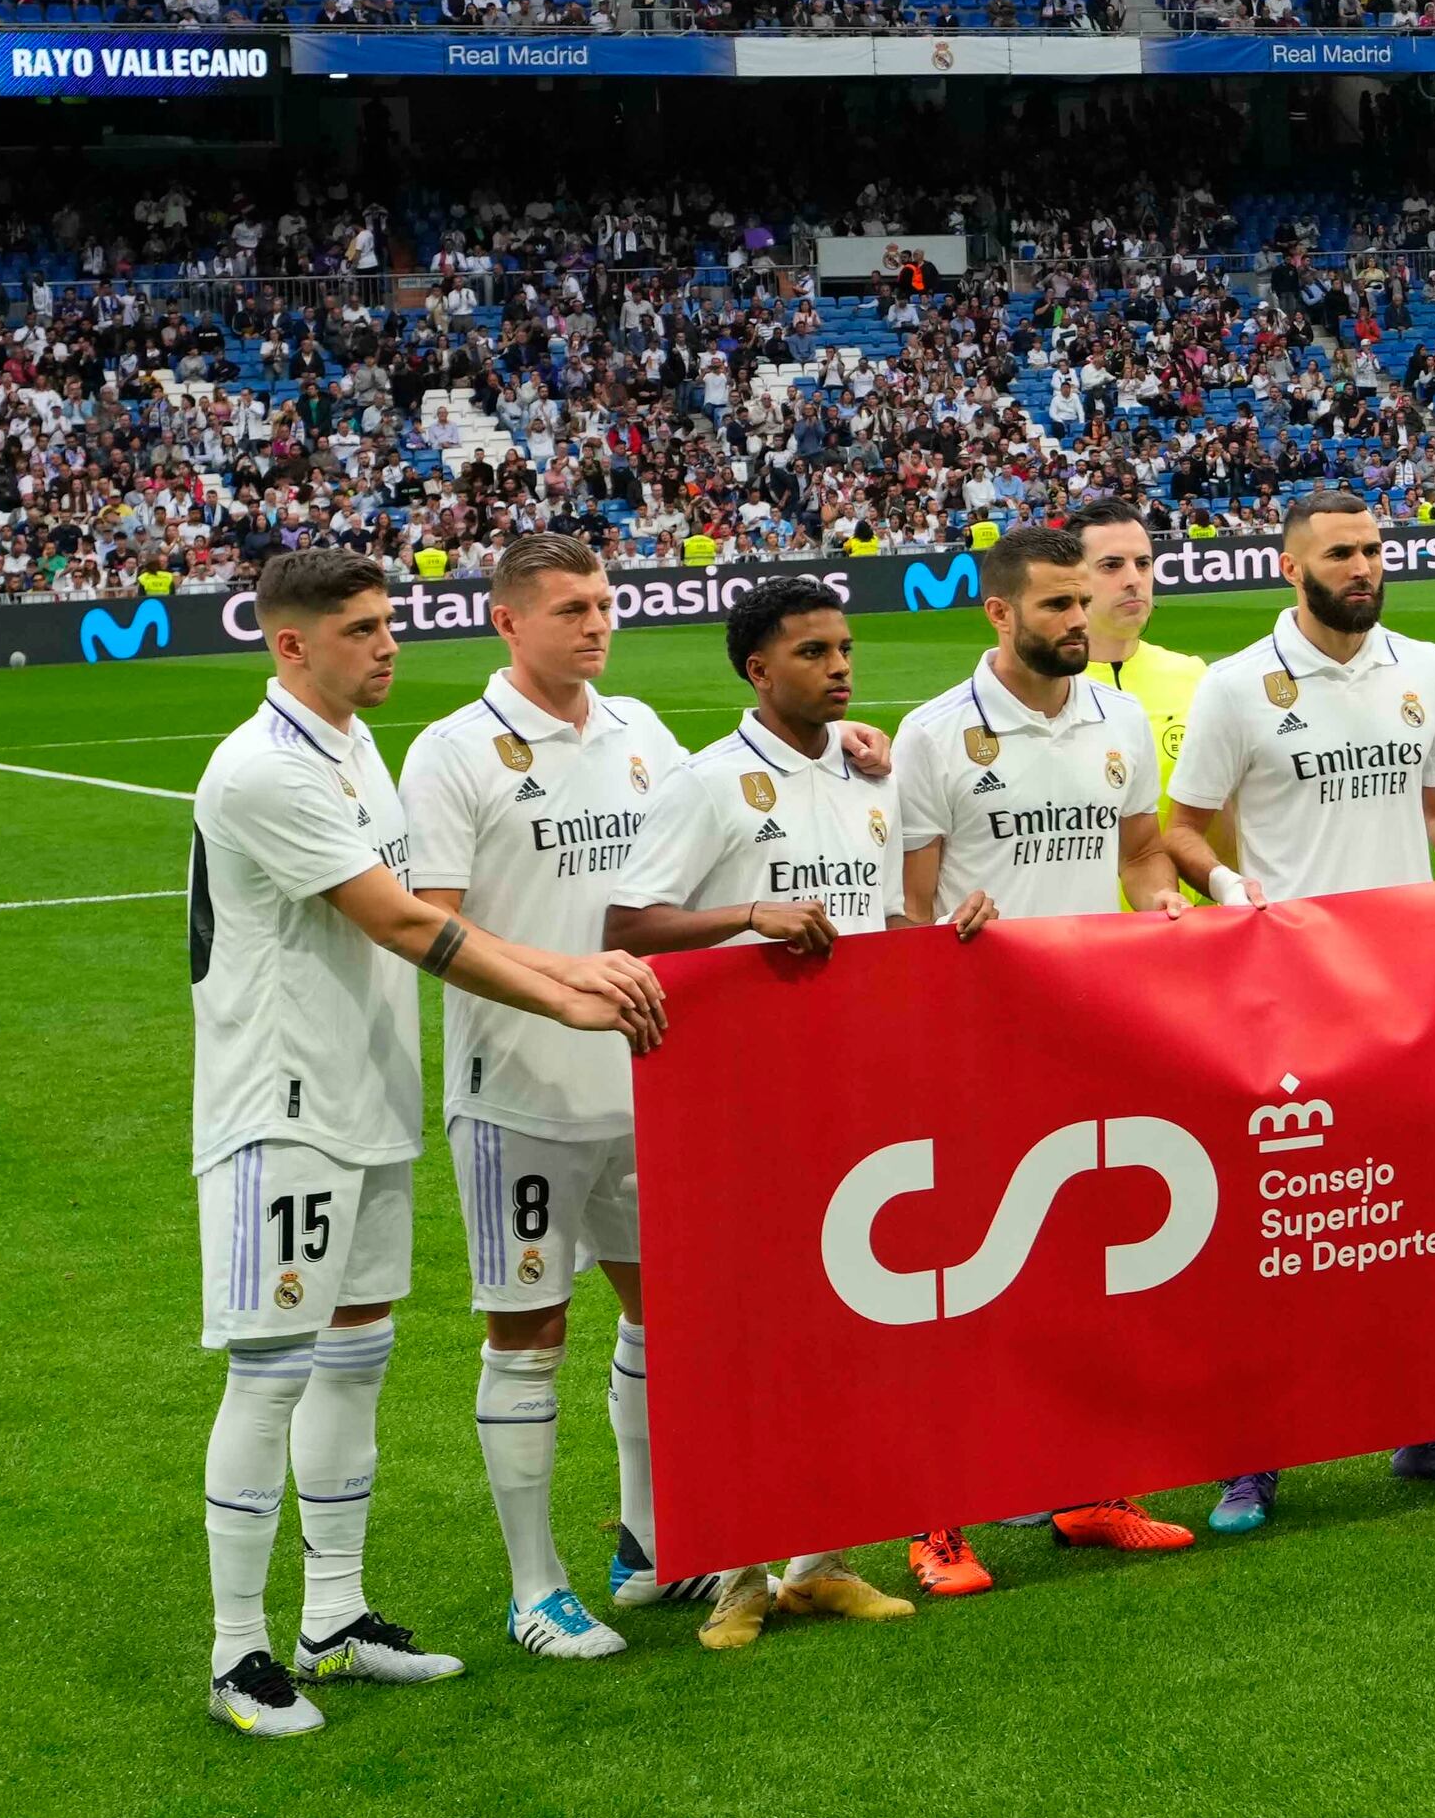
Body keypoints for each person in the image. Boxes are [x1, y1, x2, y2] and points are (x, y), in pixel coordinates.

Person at [190, 550, 669, 1737]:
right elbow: (409, 921)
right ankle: (237, 1652)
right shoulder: (261, 769)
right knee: (268, 1369)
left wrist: (571, 969)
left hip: (368, 1096)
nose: (388, 644)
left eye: (389, 624)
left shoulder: (349, 748)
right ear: (288, 645)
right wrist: (562, 996)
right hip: (280, 1106)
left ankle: (335, 1618)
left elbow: (448, 917)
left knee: (356, 1353)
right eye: (358, 630)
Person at [1163, 486, 1435, 1529]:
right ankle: (1254, 1456)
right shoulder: (1239, 688)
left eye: (1373, 548)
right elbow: (1182, 828)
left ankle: (1428, 1433)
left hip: (1412, 988)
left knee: (1416, 1221)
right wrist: (1229, 890)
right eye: (1340, 553)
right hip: (1288, 997)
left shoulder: (1427, 668)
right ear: (1291, 567)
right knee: (1282, 1239)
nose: (1363, 566)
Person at [599, 578, 920, 1647]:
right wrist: (746, 915)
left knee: (846, 1327)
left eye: (844, 646)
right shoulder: (711, 784)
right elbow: (628, 922)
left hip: (855, 1088)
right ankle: (734, 1578)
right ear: (757, 670)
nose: (840, 666)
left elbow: (886, 916)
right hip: (742, 1102)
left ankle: (819, 1562)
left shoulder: (875, 774)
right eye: (814, 651)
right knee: (744, 1335)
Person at [880, 526, 1198, 1583]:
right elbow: (903, 910)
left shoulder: (1115, 714)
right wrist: (940, 951)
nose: (1080, 619)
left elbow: (1140, 848)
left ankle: (1089, 1491)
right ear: (999, 613)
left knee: (1090, 1268)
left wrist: (1162, 907)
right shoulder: (932, 734)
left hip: (1095, 1032)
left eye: (1084, 601)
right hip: (974, 1046)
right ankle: (938, 1518)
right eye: (1057, 605)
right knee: (964, 1283)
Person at [400, 533, 700, 1643]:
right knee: (528, 1331)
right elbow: (431, 918)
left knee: (664, 1313)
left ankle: (650, 1546)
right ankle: (535, 1585)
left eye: (605, 602)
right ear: (507, 622)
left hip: (641, 1083)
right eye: (572, 607)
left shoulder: (642, 733)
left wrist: (854, 748)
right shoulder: (452, 749)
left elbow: (702, 848)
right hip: (517, 1088)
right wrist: (561, 984)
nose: (597, 622)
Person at [1068, 499, 1206, 807]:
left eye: (1143, 564)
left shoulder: (1195, 677)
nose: (1133, 580)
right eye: (1111, 565)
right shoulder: (1045, 690)